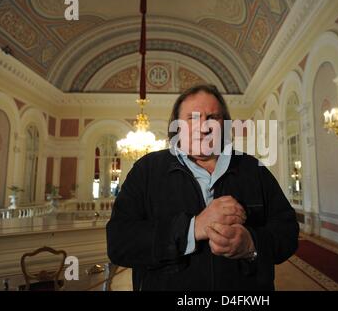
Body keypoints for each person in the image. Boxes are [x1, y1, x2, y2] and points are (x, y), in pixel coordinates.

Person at [106, 84, 299, 291]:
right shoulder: (147, 170)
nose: (204, 127)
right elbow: (119, 242)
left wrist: (251, 244)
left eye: (212, 118)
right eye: (193, 118)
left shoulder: (254, 170)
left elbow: (287, 233)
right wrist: (193, 228)